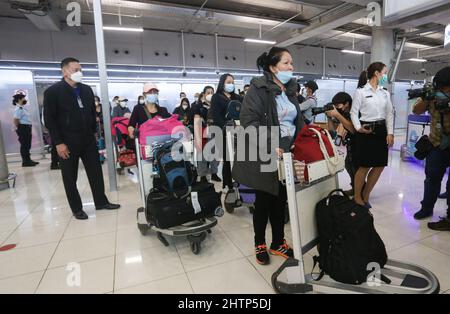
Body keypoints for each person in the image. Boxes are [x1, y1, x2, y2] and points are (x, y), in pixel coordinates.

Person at [233, 47, 304, 265]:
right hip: (266, 150)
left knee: (280, 199)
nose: (291, 67)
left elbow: (296, 121)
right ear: (273, 67)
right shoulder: (258, 89)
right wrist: (269, 145)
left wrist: (305, 142)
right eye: (286, 63)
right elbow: (248, 121)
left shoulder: (290, 91)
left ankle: (278, 242)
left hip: (288, 151)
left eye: (291, 63)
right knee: (264, 200)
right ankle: (260, 243)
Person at [44, 57, 120, 220]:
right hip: (67, 141)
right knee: (70, 176)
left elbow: (92, 112)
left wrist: (93, 130)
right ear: (64, 71)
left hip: (87, 139)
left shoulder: (86, 90)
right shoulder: (53, 92)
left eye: (80, 69)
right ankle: (77, 208)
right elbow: (50, 120)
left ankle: (101, 202)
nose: (79, 73)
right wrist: (58, 142)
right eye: (75, 70)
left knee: (96, 172)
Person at [350, 62, 395, 209]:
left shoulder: (385, 93)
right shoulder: (361, 92)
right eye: (384, 73)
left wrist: (390, 133)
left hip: (381, 131)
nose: (385, 76)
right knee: (364, 166)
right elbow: (353, 112)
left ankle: (366, 195)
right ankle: (357, 196)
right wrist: (358, 128)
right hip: (366, 131)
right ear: (376, 73)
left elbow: (389, 114)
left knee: (379, 166)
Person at [412, 66, 450, 231]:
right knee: (431, 179)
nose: (442, 90)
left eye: (445, 87)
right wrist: (427, 99)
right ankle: (426, 208)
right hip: (436, 144)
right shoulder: (433, 95)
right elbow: (417, 110)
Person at [209, 73, 242, 191]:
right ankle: (228, 185)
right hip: (224, 133)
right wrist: (226, 128)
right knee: (228, 159)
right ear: (222, 83)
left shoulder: (237, 97)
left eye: (232, 82)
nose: (231, 84)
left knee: (240, 158)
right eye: (228, 82)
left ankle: (240, 183)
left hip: (239, 133)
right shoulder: (216, 97)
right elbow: (216, 116)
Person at [326, 92, 357, 196]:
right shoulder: (342, 114)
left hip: (358, 144)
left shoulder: (354, 112)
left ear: (347, 103)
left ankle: (360, 193)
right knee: (348, 166)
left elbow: (352, 129)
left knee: (356, 169)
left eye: (338, 105)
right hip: (347, 145)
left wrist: (337, 115)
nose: (337, 108)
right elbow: (332, 129)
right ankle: (355, 188)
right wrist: (329, 117)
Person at [192, 86, 221, 183]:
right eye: (208, 93)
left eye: (212, 92)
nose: (210, 94)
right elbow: (196, 121)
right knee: (203, 155)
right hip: (203, 133)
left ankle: (214, 173)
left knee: (215, 154)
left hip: (216, 132)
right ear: (204, 94)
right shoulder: (198, 107)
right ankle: (203, 175)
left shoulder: (216, 107)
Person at [12, 93, 39, 167]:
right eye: (24, 98)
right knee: (24, 145)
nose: (25, 100)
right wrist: (16, 128)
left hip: (26, 128)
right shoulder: (19, 109)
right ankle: (25, 162)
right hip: (22, 128)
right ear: (19, 99)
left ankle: (28, 159)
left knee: (27, 145)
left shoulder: (22, 108)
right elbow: (16, 119)